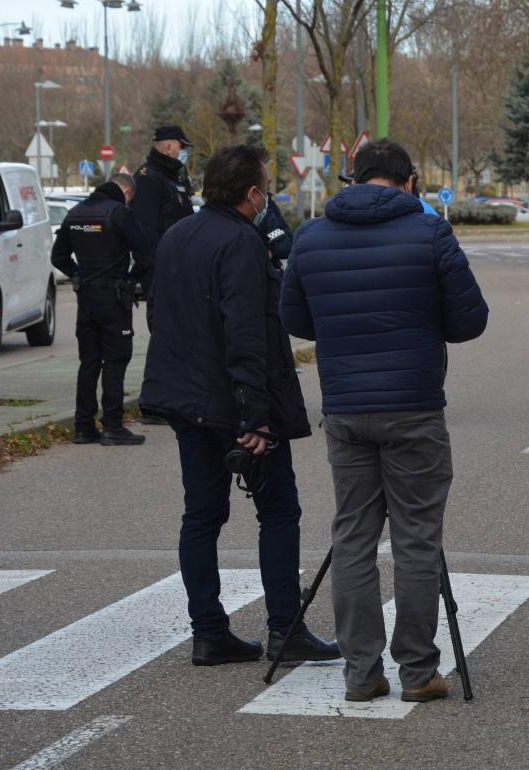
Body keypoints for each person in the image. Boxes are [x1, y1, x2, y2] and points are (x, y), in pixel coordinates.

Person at [280, 139, 488, 703]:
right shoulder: (430, 233)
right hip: (415, 405)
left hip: (346, 407)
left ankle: (361, 672)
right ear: (410, 181)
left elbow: (295, 317)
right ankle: (418, 672)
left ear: (353, 178)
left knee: (352, 536)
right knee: (417, 540)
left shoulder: (311, 236)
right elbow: (470, 320)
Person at [140, 145, 339, 667]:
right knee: (278, 510)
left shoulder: (177, 235)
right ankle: (284, 628)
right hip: (235, 404)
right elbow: (248, 334)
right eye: (266, 188)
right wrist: (257, 416)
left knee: (201, 516)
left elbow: (159, 315)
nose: (267, 196)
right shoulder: (243, 243)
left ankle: (208, 632)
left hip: (186, 400)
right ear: (252, 195)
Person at [50, 173, 153, 446]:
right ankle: (112, 425)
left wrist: (77, 275)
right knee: (116, 359)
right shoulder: (119, 213)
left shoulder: (75, 213)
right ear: (127, 191)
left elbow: (57, 256)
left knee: (90, 360)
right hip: (114, 298)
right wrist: (131, 280)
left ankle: (83, 426)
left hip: (86, 299)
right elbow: (146, 255)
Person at [134, 125, 198, 425]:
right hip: (162, 268)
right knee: (163, 332)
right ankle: (153, 404)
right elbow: (145, 229)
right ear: (169, 146)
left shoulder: (175, 177)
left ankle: (172, 397)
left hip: (180, 266)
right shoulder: (149, 178)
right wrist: (156, 267)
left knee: (178, 332)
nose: (183, 151)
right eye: (181, 146)